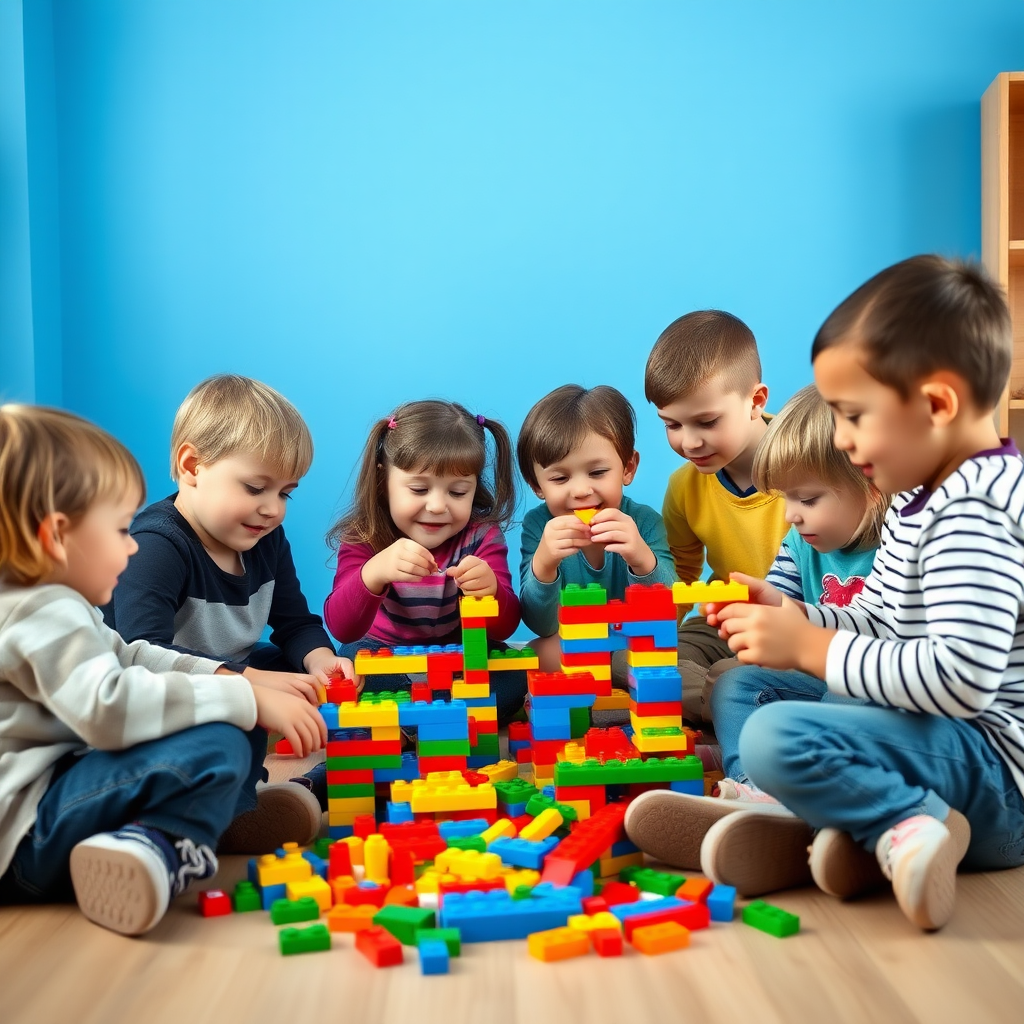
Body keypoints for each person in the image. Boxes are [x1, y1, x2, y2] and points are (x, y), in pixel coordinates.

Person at [650, 256, 1024, 932]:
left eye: (853, 416)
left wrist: (813, 647)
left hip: (995, 781)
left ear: (936, 405)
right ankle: (857, 832)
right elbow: (878, 618)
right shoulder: (923, 498)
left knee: (775, 735)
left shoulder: (977, 511)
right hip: (939, 743)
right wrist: (798, 615)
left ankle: (916, 825)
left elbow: (963, 680)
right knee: (748, 690)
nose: (843, 442)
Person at [0, 405, 326, 936]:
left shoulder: (57, 606)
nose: (132, 546)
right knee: (214, 739)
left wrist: (236, 686)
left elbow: (133, 657)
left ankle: (198, 827)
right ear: (57, 536)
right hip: (25, 843)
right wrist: (244, 697)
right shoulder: (39, 612)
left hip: (51, 808)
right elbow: (107, 708)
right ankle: (159, 842)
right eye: (121, 530)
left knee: (224, 724)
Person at [625, 383, 889, 867]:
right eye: (787, 498)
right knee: (735, 685)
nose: (791, 514)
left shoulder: (896, 543)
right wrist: (760, 612)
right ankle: (756, 795)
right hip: (814, 678)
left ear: (871, 488)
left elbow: (892, 641)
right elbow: (782, 607)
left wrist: (804, 630)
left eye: (807, 499)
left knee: (845, 695)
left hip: (867, 689)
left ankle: (831, 802)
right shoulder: (801, 539)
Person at [105, 375, 349, 848]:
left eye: (285, 493)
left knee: (327, 670)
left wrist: (320, 661)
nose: (272, 509)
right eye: (256, 487)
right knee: (232, 727)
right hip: (157, 696)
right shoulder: (158, 546)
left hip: (234, 670)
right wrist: (249, 685)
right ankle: (218, 813)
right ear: (192, 465)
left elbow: (294, 622)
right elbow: (141, 653)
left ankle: (312, 780)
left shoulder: (265, 540)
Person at [323, 399, 524, 723]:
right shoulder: (366, 536)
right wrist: (373, 573)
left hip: (461, 661)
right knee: (354, 665)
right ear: (382, 481)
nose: (436, 506)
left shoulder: (482, 536)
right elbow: (342, 628)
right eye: (418, 489)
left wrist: (491, 592)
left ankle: (423, 718)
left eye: (457, 492)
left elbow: (506, 626)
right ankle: (443, 716)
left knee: (513, 679)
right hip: (386, 658)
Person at [644, 311, 788, 722]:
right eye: (671, 424)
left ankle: (729, 695)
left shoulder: (807, 462)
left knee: (732, 676)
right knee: (636, 663)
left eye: (707, 422)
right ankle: (726, 698)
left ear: (756, 402)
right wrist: (653, 644)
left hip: (795, 624)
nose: (689, 442)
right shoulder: (684, 487)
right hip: (723, 623)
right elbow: (681, 577)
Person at [516, 384, 676, 681]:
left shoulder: (644, 522)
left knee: (663, 654)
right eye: (560, 478)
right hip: (574, 645)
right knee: (533, 654)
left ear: (627, 468)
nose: (580, 491)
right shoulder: (539, 527)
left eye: (597, 472)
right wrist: (544, 564)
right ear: (537, 485)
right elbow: (542, 625)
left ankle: (609, 678)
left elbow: (671, 612)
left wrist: (642, 558)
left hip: (633, 645)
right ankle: (600, 681)